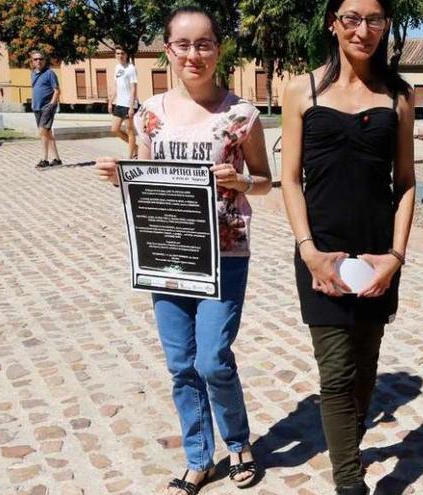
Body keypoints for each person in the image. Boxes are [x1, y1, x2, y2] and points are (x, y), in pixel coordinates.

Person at [94, 7, 272, 494]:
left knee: (213, 358)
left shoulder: (241, 115)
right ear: (168, 49)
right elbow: (145, 182)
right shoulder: (148, 114)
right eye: (184, 45)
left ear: (218, 48)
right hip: (167, 255)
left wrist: (242, 180)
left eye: (205, 44)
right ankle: (199, 458)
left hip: (225, 254)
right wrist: (120, 176)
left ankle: (238, 442)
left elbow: (266, 182)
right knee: (180, 363)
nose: (194, 54)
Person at [280, 0, 416, 493]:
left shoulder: (399, 95)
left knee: (364, 367)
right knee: (336, 372)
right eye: (352, 18)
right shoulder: (302, 89)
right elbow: (290, 180)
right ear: (333, 24)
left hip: (378, 253)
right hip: (321, 251)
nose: (364, 29)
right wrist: (308, 250)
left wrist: (396, 258)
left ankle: (348, 444)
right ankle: (349, 482)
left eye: (375, 19)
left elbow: (405, 183)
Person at [30, 50, 61, 168]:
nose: (38, 61)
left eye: (41, 59)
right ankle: (57, 159)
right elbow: (35, 89)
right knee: (47, 133)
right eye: (36, 59)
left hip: (47, 107)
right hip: (36, 107)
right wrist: (33, 103)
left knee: (42, 132)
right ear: (32, 61)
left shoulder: (50, 73)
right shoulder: (33, 73)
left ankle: (44, 159)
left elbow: (57, 90)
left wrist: (52, 104)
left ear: (44, 60)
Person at [108, 45, 138, 158]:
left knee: (130, 130)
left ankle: (131, 156)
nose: (120, 55)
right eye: (118, 53)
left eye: (122, 53)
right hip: (119, 104)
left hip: (129, 104)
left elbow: (133, 88)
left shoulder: (131, 68)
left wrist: (131, 107)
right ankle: (135, 147)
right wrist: (110, 102)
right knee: (114, 129)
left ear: (126, 55)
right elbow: (116, 86)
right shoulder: (117, 68)